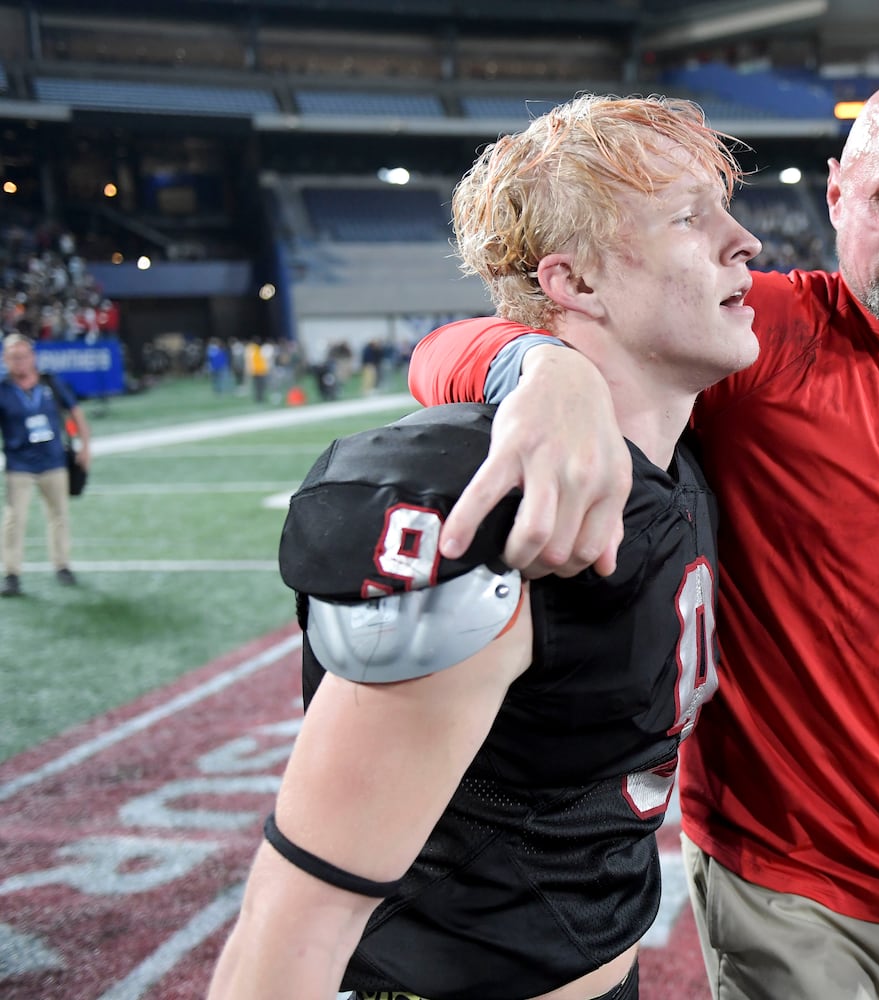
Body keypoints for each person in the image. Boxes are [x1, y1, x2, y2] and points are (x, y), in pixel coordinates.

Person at [408, 72, 879, 1000]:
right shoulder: (758, 334)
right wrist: (536, 366)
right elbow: (447, 349)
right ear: (838, 195)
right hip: (783, 885)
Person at [206, 93, 762, 1000]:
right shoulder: (479, 512)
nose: (746, 243)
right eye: (689, 217)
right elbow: (298, 913)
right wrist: (532, 362)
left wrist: (529, 359)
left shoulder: (679, 463)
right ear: (574, 283)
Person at [1, 333, 90, 597]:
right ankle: (12, 573)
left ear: (33, 357)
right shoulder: (3, 390)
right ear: (6, 360)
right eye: (14, 357)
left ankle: (62, 565)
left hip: (54, 460)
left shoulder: (51, 383)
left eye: (24, 356)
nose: (20, 362)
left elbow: (74, 413)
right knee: (14, 520)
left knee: (59, 516)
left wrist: (84, 444)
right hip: (20, 465)